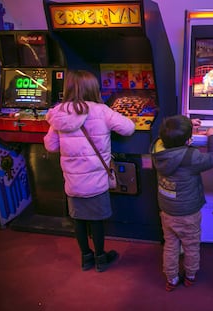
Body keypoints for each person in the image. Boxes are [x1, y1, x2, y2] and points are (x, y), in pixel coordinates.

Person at [43, 70, 135, 272]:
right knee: (96, 220)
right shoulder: (101, 110)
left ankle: (86, 258)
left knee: (78, 219)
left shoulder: (59, 114)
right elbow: (129, 128)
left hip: (73, 181)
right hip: (96, 179)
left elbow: (50, 146)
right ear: (93, 88)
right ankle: (101, 258)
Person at [150, 115, 213, 291]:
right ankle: (190, 275)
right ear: (189, 140)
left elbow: (166, 136)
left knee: (171, 245)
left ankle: (172, 278)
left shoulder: (157, 150)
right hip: (188, 211)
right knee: (191, 245)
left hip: (167, 209)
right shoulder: (191, 156)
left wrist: (186, 126)